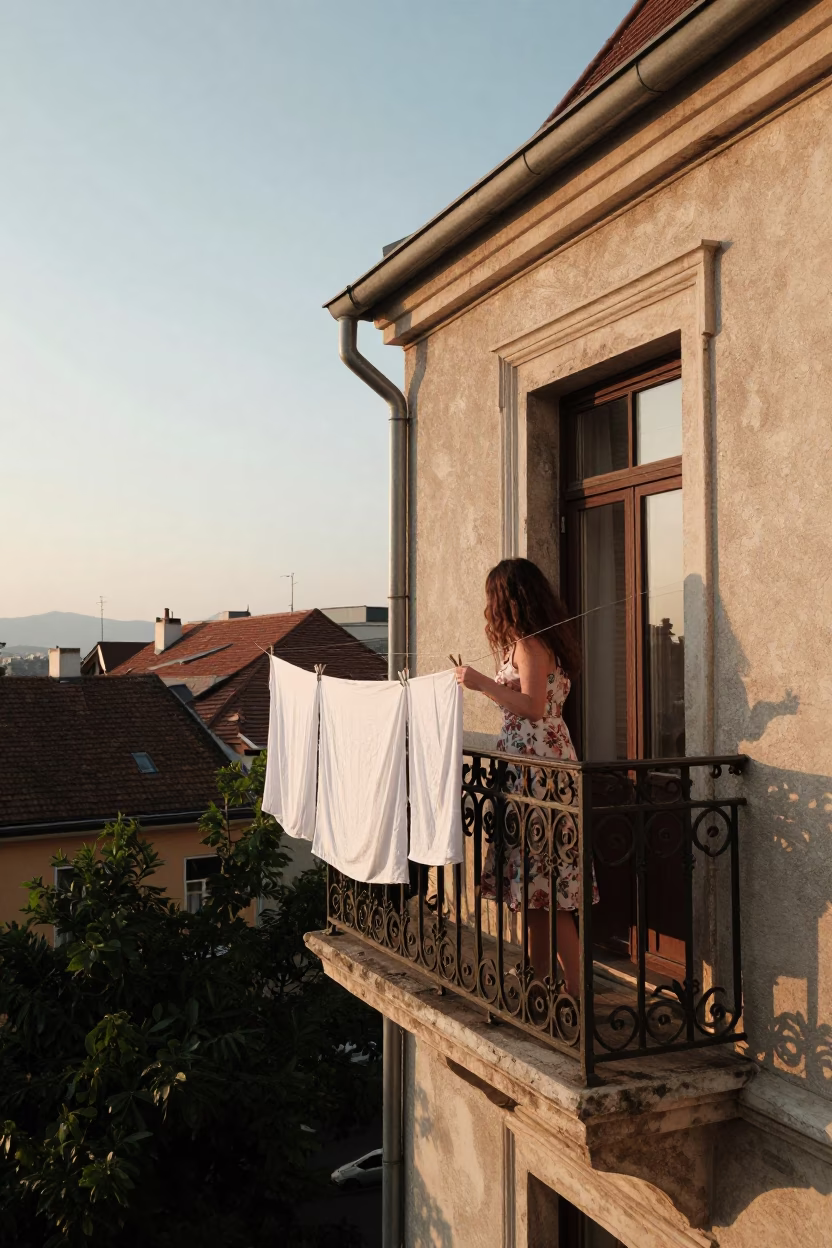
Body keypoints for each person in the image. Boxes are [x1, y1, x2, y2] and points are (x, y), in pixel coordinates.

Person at [454, 557, 596, 995]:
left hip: (539, 774)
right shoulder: (536, 643)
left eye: (493, 599)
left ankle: (575, 990)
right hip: (534, 767)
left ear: (508, 601)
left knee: (546, 889)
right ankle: (540, 978)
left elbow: (535, 708)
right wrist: (508, 688)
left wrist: (481, 683)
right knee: (537, 888)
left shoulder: (531, 644)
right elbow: (539, 701)